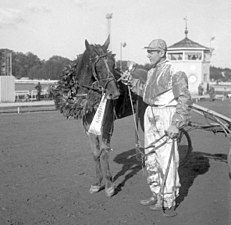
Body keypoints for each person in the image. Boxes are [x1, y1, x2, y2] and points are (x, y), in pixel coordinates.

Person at [121, 39, 192, 217]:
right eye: (149, 51)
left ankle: (168, 201)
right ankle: (156, 194)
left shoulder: (175, 71)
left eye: (152, 51)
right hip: (150, 114)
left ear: (161, 53)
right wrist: (131, 82)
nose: (148, 54)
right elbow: (146, 92)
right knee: (150, 156)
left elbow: (184, 98)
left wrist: (176, 124)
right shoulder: (152, 71)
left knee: (166, 158)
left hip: (166, 115)